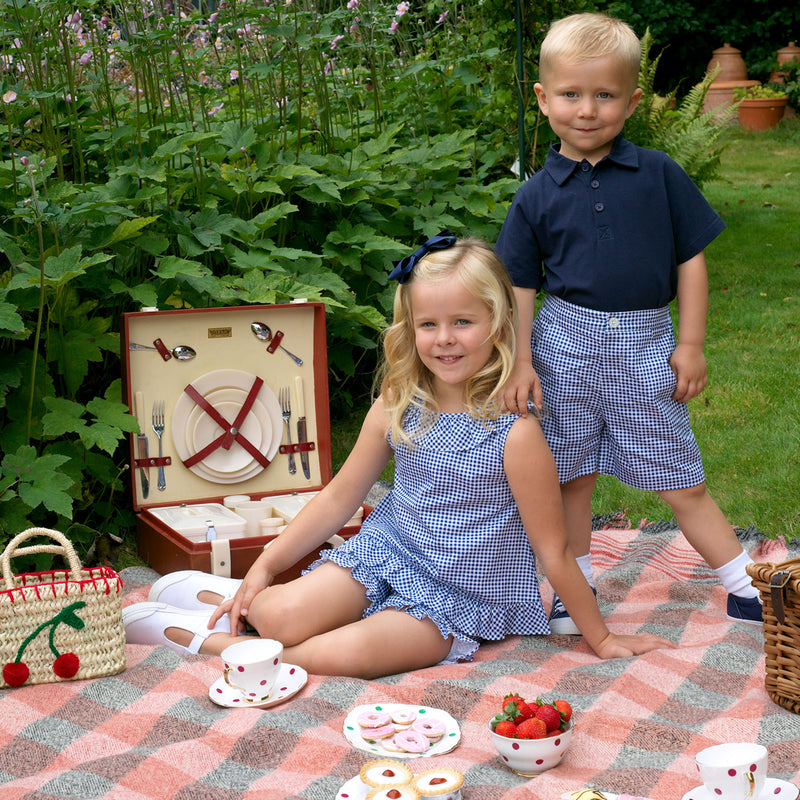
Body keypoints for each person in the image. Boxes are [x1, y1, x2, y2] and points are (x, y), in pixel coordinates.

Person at [124, 235, 673, 677]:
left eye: (463, 322)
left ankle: (210, 640)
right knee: (280, 615)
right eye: (428, 324)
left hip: (461, 597)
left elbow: (553, 550)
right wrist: (264, 564)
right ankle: (232, 597)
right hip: (388, 555)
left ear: (499, 324)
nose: (445, 339)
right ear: (409, 330)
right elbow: (340, 496)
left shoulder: (517, 434)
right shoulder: (397, 405)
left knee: (350, 655)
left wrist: (600, 636)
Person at [495, 12, 762, 634]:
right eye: (570, 94)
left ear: (632, 100)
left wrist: (690, 344)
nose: (587, 110)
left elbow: (690, 260)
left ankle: (743, 585)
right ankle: (572, 589)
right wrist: (522, 359)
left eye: (605, 95)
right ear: (542, 99)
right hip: (562, 348)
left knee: (679, 474)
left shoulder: (659, 175)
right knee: (570, 475)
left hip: (644, 345)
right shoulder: (535, 194)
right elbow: (520, 286)